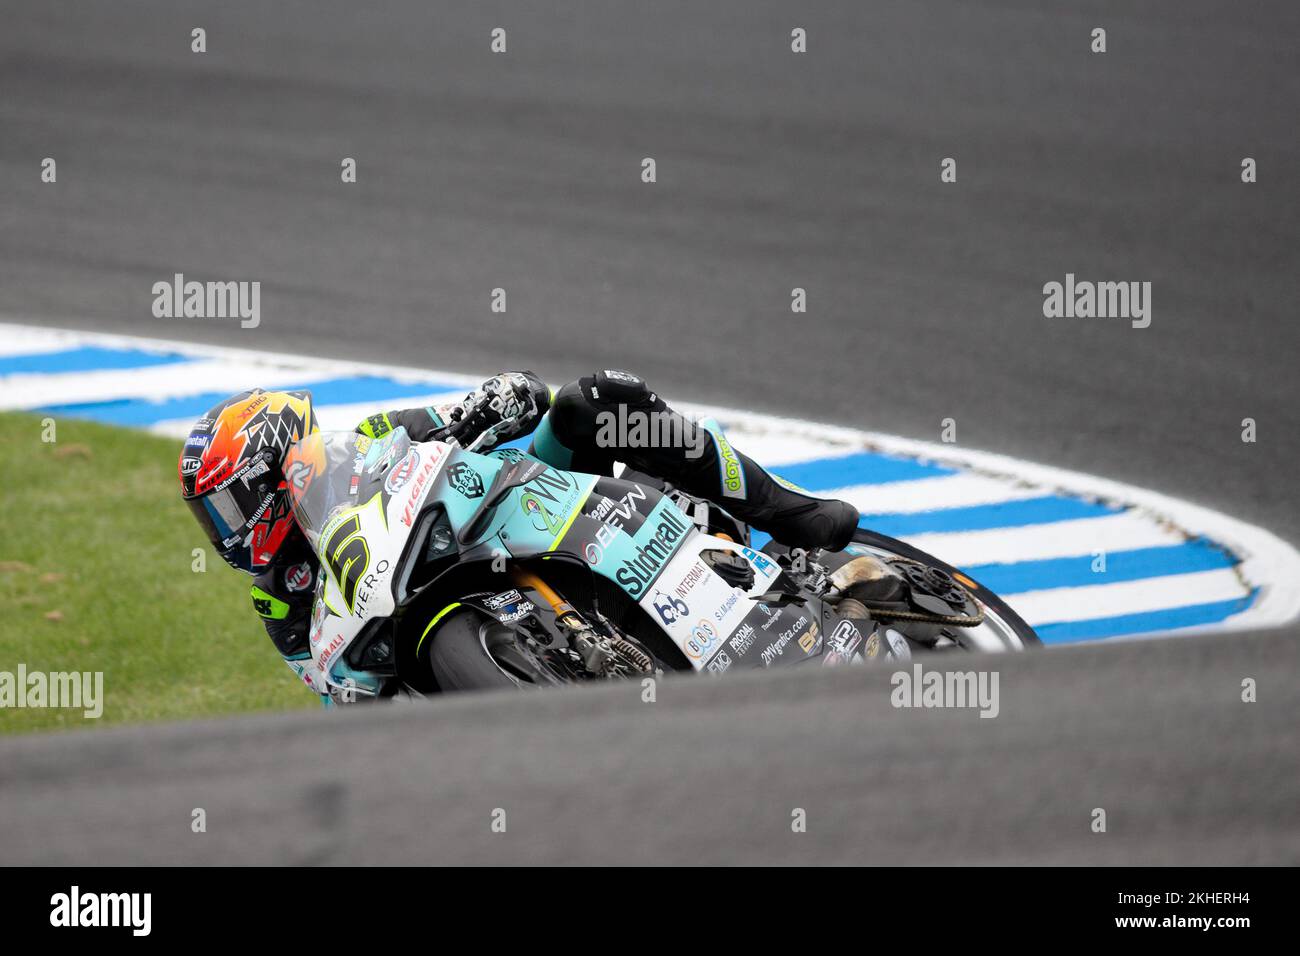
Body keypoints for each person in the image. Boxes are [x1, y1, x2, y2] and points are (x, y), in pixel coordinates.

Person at [178, 370, 860, 698]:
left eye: (231, 509)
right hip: (425, 618)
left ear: (271, 471)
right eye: (213, 519)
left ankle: (790, 510)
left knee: (591, 401)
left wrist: (497, 398)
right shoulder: (278, 599)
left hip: (504, 507)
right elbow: (335, 691)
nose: (227, 532)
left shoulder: (372, 437)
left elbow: (495, 403)